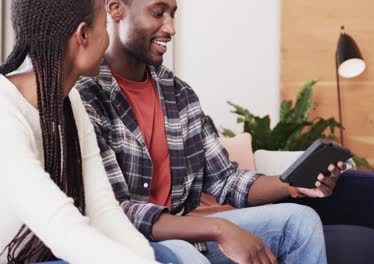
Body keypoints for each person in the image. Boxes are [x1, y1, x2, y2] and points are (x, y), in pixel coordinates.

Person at [76, 0, 353, 263]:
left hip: (185, 233)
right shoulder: (85, 95)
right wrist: (218, 228)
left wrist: (293, 183)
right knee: (188, 256)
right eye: (158, 13)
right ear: (115, 9)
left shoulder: (178, 93)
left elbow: (226, 180)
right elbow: (114, 211)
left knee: (300, 223)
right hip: (125, 241)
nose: (171, 27)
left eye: (173, 14)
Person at [0, 0, 185, 263]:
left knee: (166, 256)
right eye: (105, 26)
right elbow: (61, 226)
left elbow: (104, 212)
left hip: (48, 255)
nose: (108, 38)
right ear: (83, 35)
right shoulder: (4, 110)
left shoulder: (71, 102)